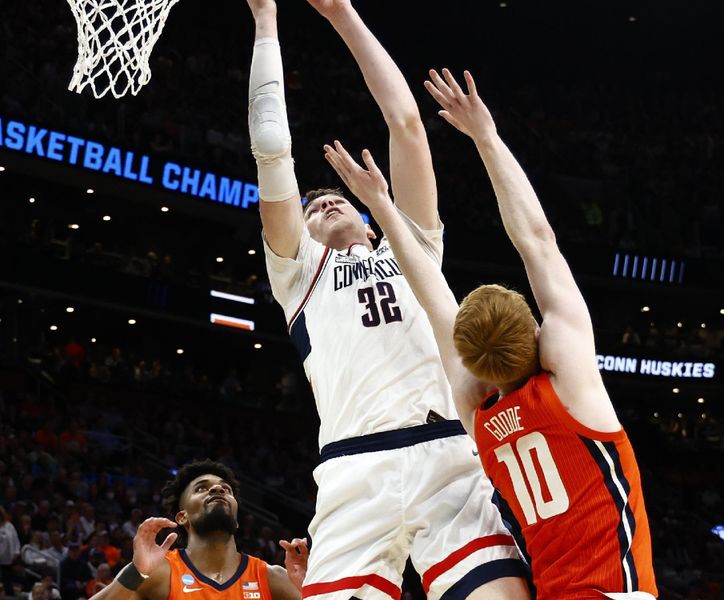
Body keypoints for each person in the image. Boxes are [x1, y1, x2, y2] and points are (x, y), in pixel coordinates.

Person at [322, 68, 659, 598]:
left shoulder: (477, 415)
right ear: (536, 330)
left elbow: (434, 299)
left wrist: (385, 207)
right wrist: (486, 136)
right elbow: (538, 241)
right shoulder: (570, 380)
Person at [246, 0, 529, 597]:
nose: (321, 202)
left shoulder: (410, 247)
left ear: (373, 220)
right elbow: (272, 150)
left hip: (448, 457)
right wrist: (267, 21)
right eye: (310, 206)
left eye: (333, 198)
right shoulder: (298, 278)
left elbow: (406, 124)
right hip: (353, 472)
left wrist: (343, 14)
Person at [84, 460, 305, 600]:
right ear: (182, 517)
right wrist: (137, 572)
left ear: (236, 520)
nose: (218, 488)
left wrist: (310, 588)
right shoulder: (160, 572)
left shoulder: (271, 577)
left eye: (226, 489)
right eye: (202, 488)